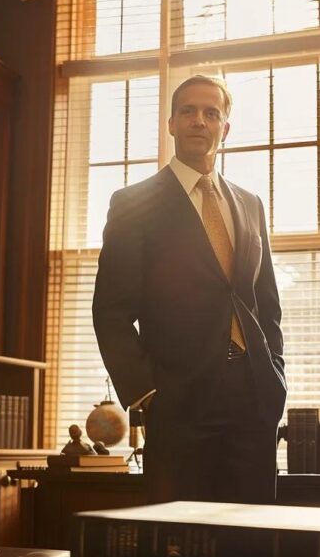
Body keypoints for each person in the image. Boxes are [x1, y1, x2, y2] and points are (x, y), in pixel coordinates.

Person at [92, 75, 286, 504]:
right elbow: (111, 310)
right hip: (178, 400)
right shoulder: (133, 203)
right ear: (171, 124)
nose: (199, 120)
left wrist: (275, 375)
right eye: (188, 111)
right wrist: (145, 392)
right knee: (182, 542)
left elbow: (266, 304)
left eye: (211, 113)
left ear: (225, 129)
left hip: (253, 398)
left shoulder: (251, 204)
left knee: (253, 538)